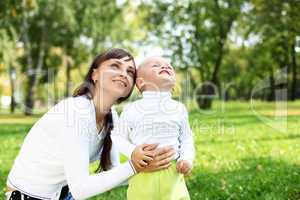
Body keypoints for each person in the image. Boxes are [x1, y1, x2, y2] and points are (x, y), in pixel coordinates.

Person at [6, 49, 175, 200]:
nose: (124, 73)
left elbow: (113, 172)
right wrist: (135, 165)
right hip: (28, 196)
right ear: (95, 75)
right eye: (115, 66)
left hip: (64, 195)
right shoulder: (75, 111)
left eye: (130, 71)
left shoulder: (112, 117)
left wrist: (151, 165)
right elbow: (81, 189)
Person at [111, 56, 195, 200]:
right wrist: (133, 153)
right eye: (156, 65)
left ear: (174, 84)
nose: (166, 67)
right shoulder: (132, 109)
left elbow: (186, 138)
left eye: (170, 67)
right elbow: (117, 136)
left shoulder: (179, 108)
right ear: (141, 82)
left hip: (172, 172)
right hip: (142, 172)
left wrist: (187, 158)